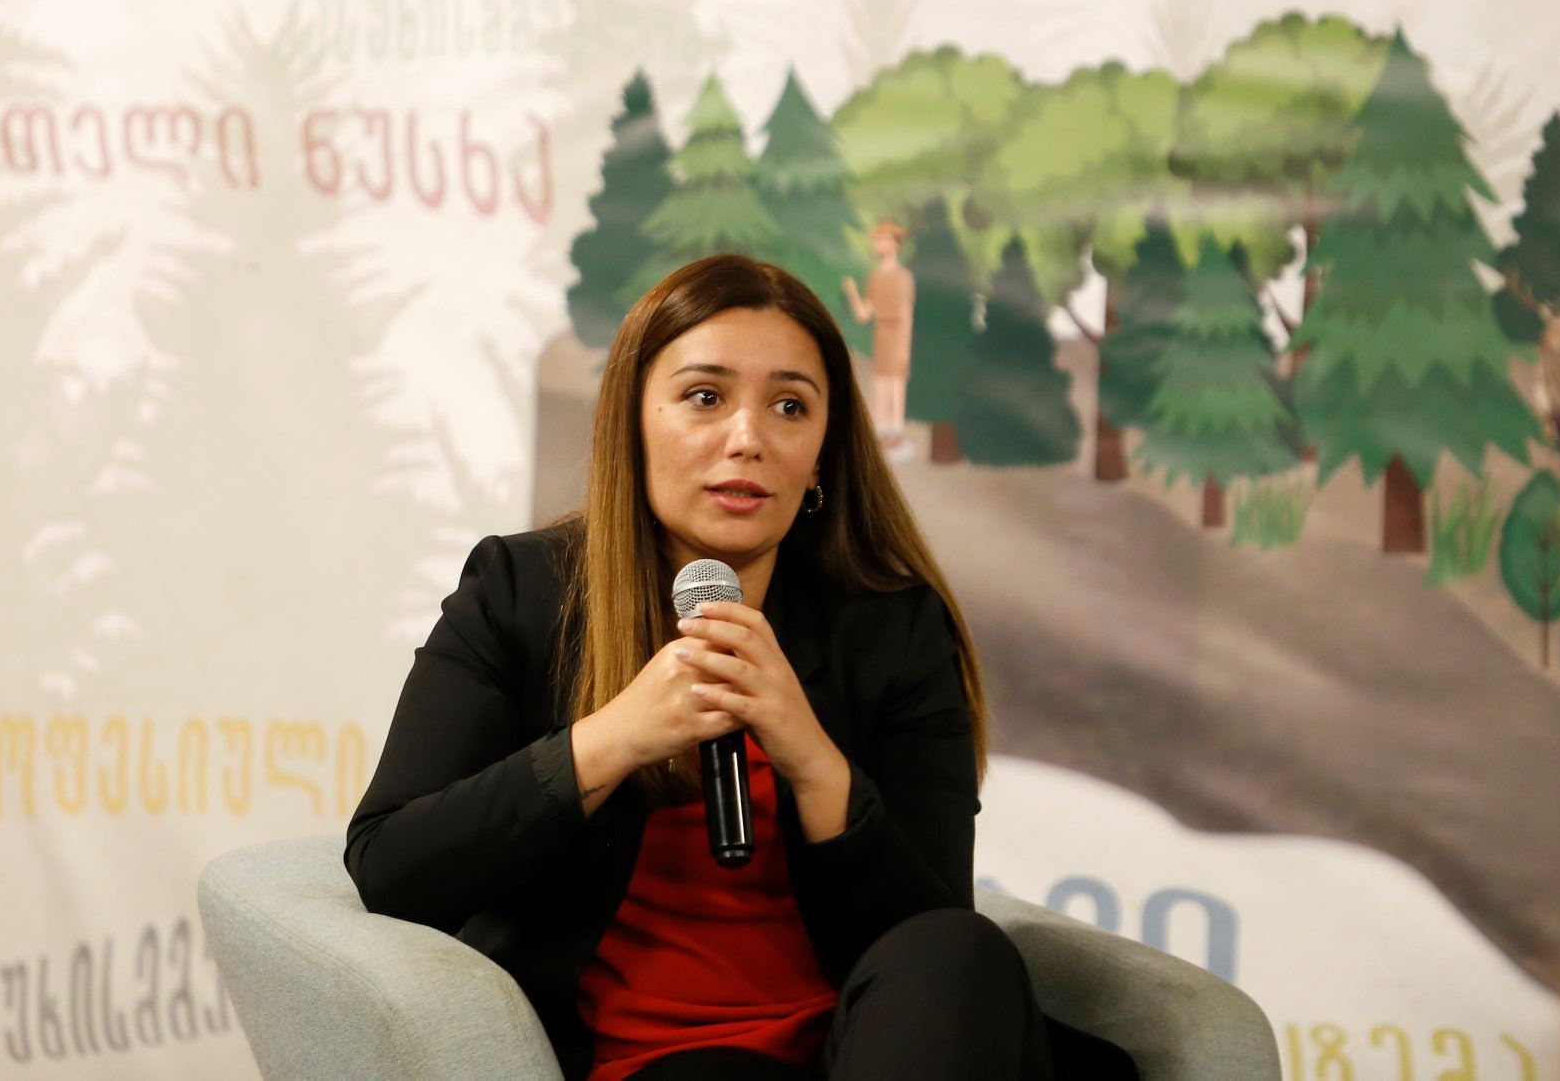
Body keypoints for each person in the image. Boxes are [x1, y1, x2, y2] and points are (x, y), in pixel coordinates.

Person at [346, 254, 1060, 1080]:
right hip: (649, 1065)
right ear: (633, 422)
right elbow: (392, 867)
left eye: (789, 406)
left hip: (865, 1053)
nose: (747, 439)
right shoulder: (522, 593)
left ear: (821, 454)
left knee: (959, 951)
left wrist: (812, 761)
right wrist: (611, 738)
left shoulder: (891, 628)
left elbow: (934, 946)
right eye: (704, 397)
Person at [841, 219, 915, 458]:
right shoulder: (875, 277)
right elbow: (863, 314)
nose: (879, 244)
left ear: (895, 244)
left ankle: (896, 436)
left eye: (884, 239)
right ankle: (881, 437)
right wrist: (852, 292)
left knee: (896, 385)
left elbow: (906, 314)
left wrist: (904, 350)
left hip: (898, 336)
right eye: (878, 239)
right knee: (881, 384)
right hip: (881, 335)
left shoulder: (904, 277)